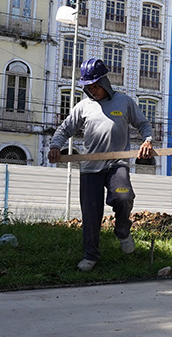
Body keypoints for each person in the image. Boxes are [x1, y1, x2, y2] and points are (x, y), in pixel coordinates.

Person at [48, 58, 154, 271]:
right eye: (89, 87)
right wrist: (55, 145)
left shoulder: (124, 102)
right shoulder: (83, 107)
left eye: (96, 86)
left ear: (105, 82)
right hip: (90, 168)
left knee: (124, 196)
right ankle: (91, 255)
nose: (93, 90)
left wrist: (148, 139)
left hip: (117, 164)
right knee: (91, 214)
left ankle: (122, 230)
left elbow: (142, 123)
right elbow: (64, 128)